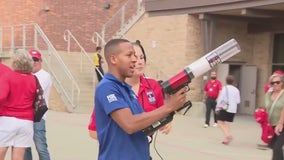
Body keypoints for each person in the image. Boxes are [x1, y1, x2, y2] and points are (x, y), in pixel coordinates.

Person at [94, 38, 186, 159]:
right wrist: (168, 107)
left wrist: (167, 116)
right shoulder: (107, 87)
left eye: (137, 56)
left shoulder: (127, 89)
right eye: (129, 55)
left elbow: (145, 127)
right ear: (113, 59)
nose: (134, 60)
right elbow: (130, 124)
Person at [0, 49, 36, 160]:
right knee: (18, 156)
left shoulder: (8, 76)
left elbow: (1, 97)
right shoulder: (33, 79)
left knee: (1, 150)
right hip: (26, 122)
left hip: (8, 119)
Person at [24, 49, 52, 160]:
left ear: (40, 61)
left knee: (40, 146)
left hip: (38, 116)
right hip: (26, 115)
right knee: (25, 146)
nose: (34, 62)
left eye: (36, 59)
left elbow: (33, 92)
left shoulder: (45, 75)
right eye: (31, 59)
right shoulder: (27, 75)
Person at [215, 75, 240, 145]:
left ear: (226, 81)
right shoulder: (236, 90)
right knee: (227, 123)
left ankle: (228, 136)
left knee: (219, 122)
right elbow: (238, 101)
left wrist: (217, 107)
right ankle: (226, 138)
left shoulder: (224, 88)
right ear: (233, 82)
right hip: (233, 108)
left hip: (225, 106)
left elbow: (221, 99)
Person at [264, 74, 284, 160]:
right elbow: (267, 108)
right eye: (273, 83)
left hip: (281, 125)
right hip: (272, 125)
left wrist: (280, 123)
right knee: (273, 147)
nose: (275, 84)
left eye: (277, 82)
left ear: (282, 83)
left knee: (277, 148)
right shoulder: (268, 95)